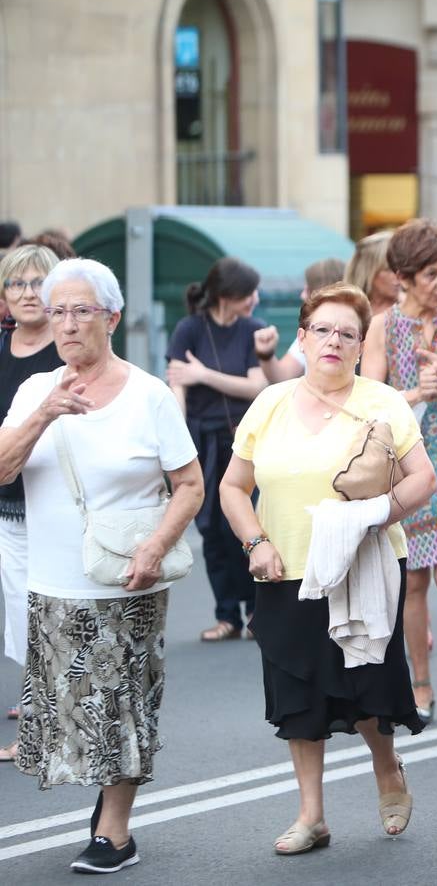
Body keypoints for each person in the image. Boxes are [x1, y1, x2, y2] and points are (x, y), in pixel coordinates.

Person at [0, 257, 204, 873]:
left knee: (119, 706)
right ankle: (102, 809)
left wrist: (155, 546)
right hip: (52, 581)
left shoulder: (149, 396)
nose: (66, 324)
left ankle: (115, 831)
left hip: (126, 579)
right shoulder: (37, 389)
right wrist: (43, 414)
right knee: (68, 710)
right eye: (55, 310)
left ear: (111, 317)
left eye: (80, 310)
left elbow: (190, 484)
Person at [218, 283, 437, 855]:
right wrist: (255, 542)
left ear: (361, 345)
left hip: (364, 566)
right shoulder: (270, 402)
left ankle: (386, 766)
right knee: (298, 693)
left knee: (366, 685)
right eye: (323, 330)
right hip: (284, 568)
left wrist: (375, 514)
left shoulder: (382, 401)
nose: (334, 341)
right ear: (302, 338)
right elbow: (234, 487)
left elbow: (423, 479)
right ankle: (311, 815)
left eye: (347, 333)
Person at [361, 219, 437, 723]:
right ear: (402, 276)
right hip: (409, 462)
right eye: (429, 274)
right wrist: (418, 393)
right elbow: (368, 400)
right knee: (414, 583)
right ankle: (420, 685)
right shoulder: (383, 325)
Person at [166, 258, 268, 642]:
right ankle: (227, 615)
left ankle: (258, 610)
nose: (254, 300)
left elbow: (256, 386)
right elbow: (178, 385)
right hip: (202, 440)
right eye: (248, 294)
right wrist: (177, 437)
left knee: (247, 524)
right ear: (228, 296)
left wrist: (203, 375)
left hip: (244, 440)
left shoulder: (252, 330)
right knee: (210, 526)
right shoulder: (189, 329)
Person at [0, 245, 62, 762]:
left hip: (58, 505)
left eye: (37, 283)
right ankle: (40, 714)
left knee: (51, 611)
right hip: (8, 506)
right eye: (16, 284)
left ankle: (46, 721)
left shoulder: (66, 353)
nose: (26, 294)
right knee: (21, 616)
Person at [256, 257, 348, 383]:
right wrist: (266, 354)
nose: (302, 295)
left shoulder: (356, 333)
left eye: (307, 289)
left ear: (320, 293)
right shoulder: (310, 331)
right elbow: (282, 377)